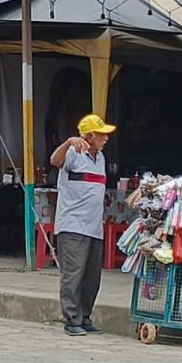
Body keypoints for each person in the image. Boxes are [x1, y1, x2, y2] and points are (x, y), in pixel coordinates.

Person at [50, 113, 115, 336]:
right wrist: (68, 142)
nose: (105, 138)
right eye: (101, 134)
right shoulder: (73, 153)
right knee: (73, 273)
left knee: (91, 276)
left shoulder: (101, 159)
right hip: (73, 225)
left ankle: (85, 317)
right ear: (88, 136)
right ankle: (72, 319)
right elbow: (54, 161)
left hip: (94, 226)